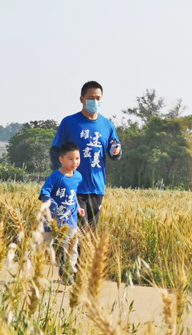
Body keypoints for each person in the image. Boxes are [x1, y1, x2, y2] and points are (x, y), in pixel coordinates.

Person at [50, 81, 121, 230]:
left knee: (90, 233)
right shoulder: (69, 123)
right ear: (82, 99)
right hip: (73, 187)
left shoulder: (107, 126)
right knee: (72, 233)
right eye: (91, 98)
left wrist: (116, 152)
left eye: (98, 98)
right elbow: (55, 150)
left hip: (96, 188)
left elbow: (114, 151)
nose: (95, 101)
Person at [40, 142, 85, 283]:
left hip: (70, 222)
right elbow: (44, 193)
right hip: (52, 221)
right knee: (43, 248)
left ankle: (68, 277)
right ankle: (36, 274)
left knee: (71, 249)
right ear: (61, 159)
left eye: (77, 158)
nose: (74, 162)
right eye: (70, 159)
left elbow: (73, 195)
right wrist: (49, 202)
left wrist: (78, 207)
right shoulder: (56, 177)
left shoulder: (78, 177)